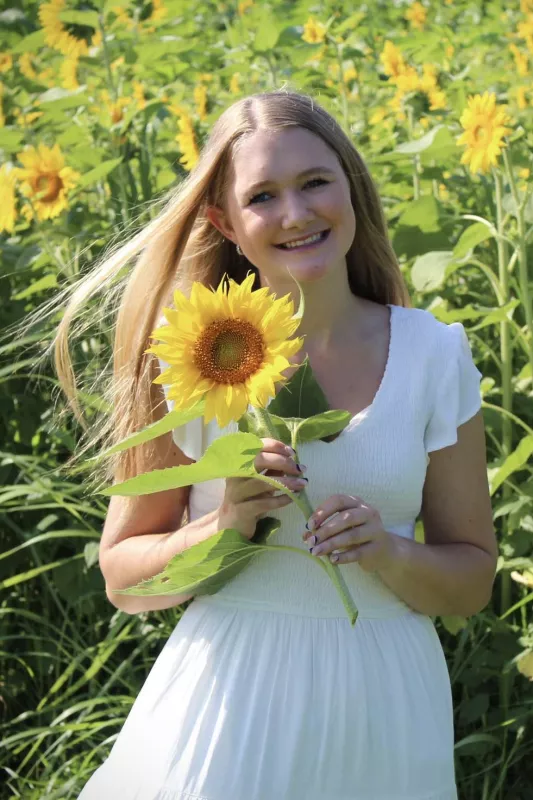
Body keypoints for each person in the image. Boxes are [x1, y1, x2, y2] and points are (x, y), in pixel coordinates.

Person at [53, 90, 497, 799]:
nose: (295, 214)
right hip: (226, 701)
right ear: (223, 220)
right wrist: (225, 526)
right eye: (262, 195)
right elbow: (123, 578)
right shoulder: (181, 355)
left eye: (315, 182)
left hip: (383, 709)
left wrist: (385, 550)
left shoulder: (432, 356)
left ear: (349, 186)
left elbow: (471, 579)